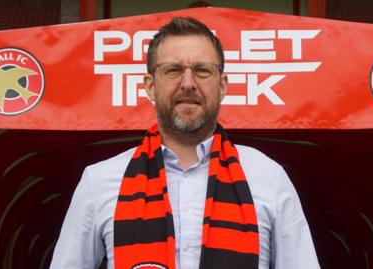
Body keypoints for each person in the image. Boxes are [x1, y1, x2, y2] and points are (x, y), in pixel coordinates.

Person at [50, 17, 320, 269]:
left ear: (223, 85)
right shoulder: (98, 181)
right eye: (173, 70)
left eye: (202, 70)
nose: (188, 83)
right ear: (150, 85)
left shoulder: (268, 177)